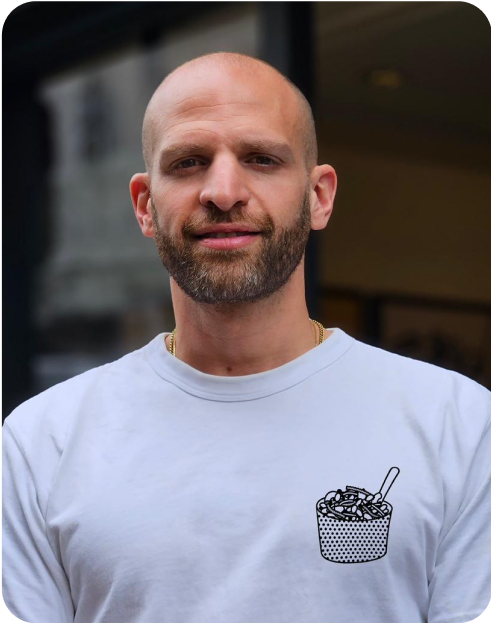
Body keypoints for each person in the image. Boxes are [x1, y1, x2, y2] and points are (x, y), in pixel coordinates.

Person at [1, 52, 490, 623]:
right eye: (188, 162)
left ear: (319, 196)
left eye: (261, 159)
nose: (223, 191)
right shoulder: (42, 443)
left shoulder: (457, 425)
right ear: (145, 206)